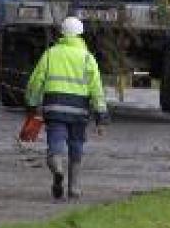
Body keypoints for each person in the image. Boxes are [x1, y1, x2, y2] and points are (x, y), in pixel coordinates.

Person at [25, 16, 110, 201]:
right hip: (79, 112)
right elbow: (96, 89)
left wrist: (32, 105)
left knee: (55, 144)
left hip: (54, 108)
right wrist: (101, 117)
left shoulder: (50, 54)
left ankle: (57, 169)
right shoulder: (88, 58)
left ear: (61, 34)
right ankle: (74, 189)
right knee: (76, 146)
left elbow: (35, 82)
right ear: (81, 35)